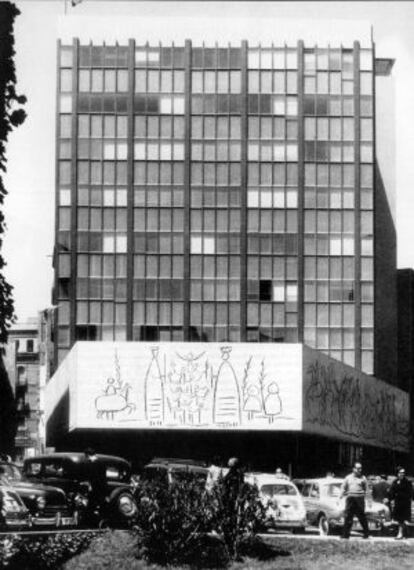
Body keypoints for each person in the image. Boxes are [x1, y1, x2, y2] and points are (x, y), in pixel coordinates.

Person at [340, 462, 369, 539]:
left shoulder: (363, 478)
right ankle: (345, 535)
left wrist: (368, 500)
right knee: (348, 517)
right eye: (358, 468)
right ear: (353, 469)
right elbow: (343, 487)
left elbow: (366, 490)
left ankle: (366, 534)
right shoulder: (348, 477)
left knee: (362, 517)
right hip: (350, 499)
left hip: (360, 499)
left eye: (360, 468)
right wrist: (340, 497)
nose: (360, 470)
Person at [389, 467, 413, 539]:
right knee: (400, 520)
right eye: (400, 473)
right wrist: (390, 498)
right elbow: (392, 491)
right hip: (398, 503)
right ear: (397, 473)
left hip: (405, 503)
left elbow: (410, 493)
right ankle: (404, 532)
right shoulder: (395, 481)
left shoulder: (407, 482)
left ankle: (400, 534)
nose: (402, 474)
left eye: (403, 473)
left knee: (402, 519)